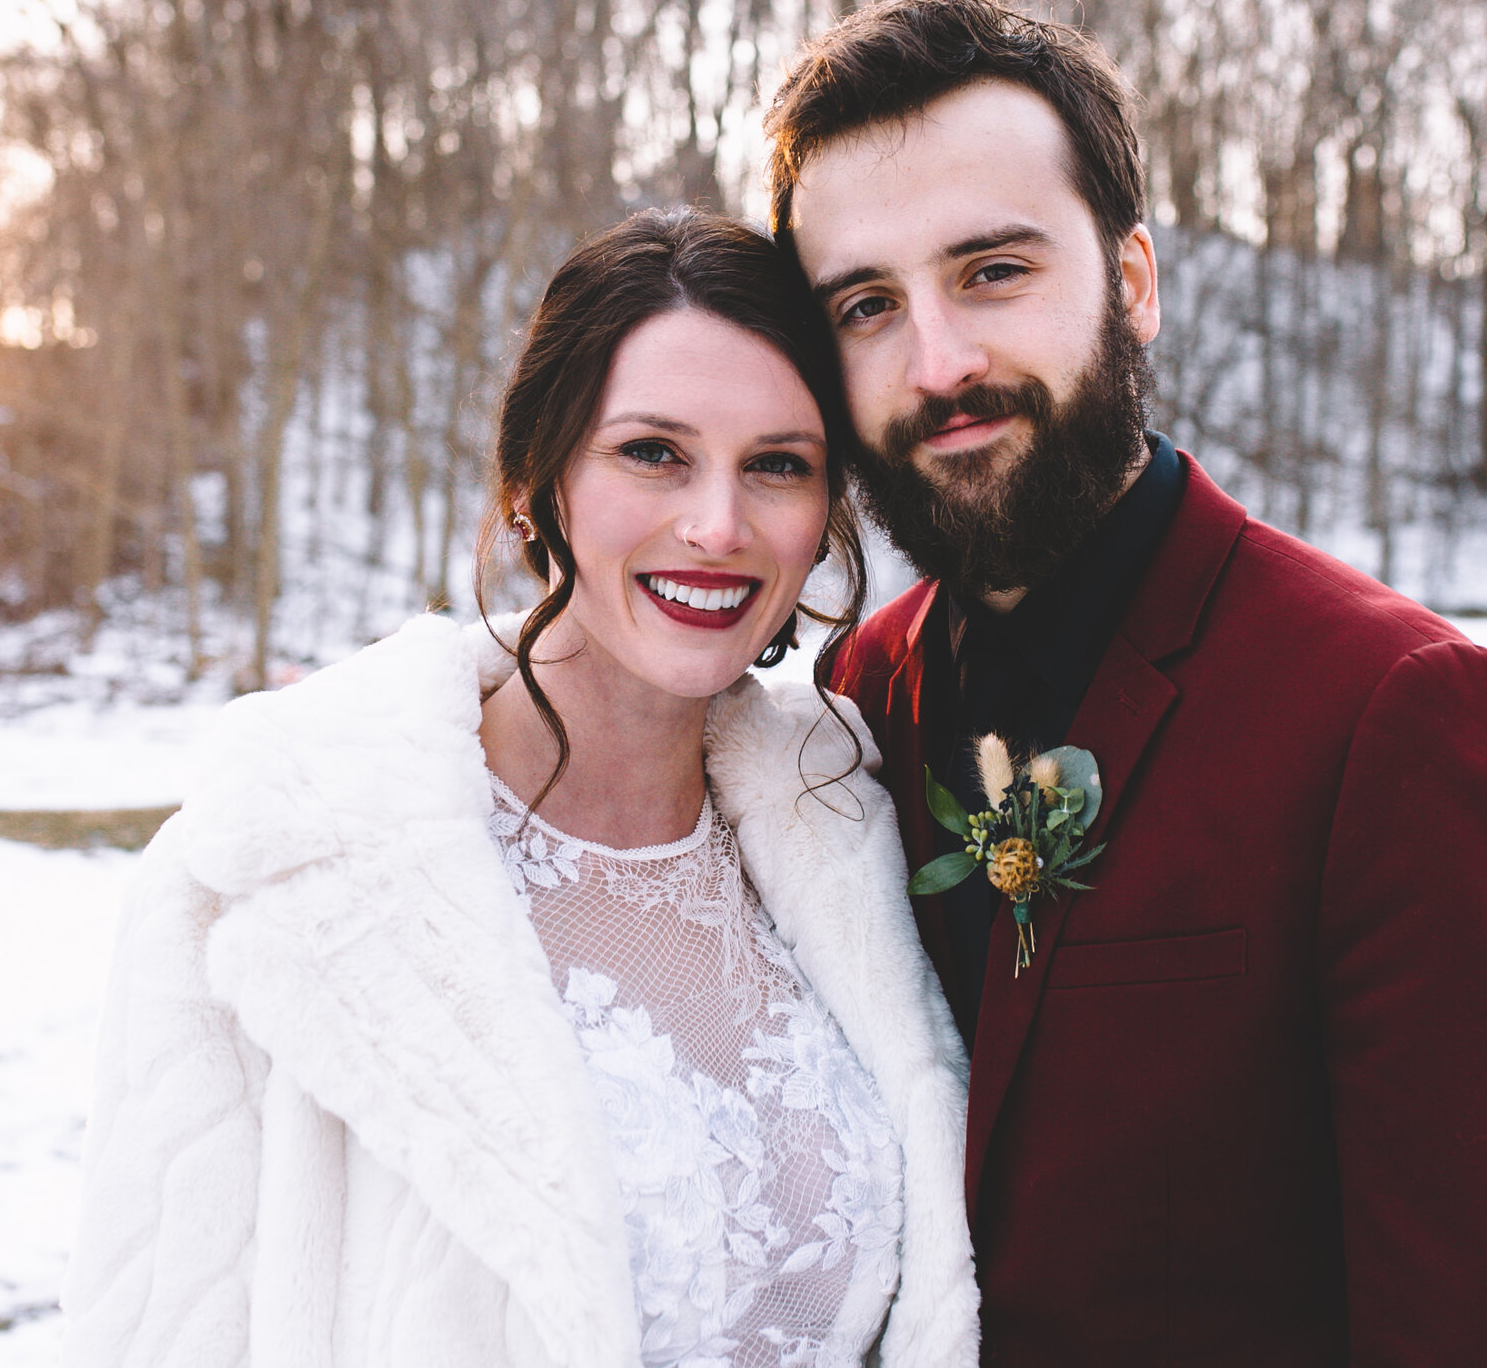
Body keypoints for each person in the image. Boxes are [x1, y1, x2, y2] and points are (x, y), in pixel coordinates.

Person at [764, 0, 1487, 1364]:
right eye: (868, 304)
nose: (940, 362)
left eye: (994, 270)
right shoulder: (842, 714)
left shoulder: (1399, 717)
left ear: (1134, 280)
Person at [62, 209, 978, 1368]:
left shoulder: (849, 830)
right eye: (652, 451)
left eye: (778, 466)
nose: (717, 524)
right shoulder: (263, 876)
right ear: (537, 478)